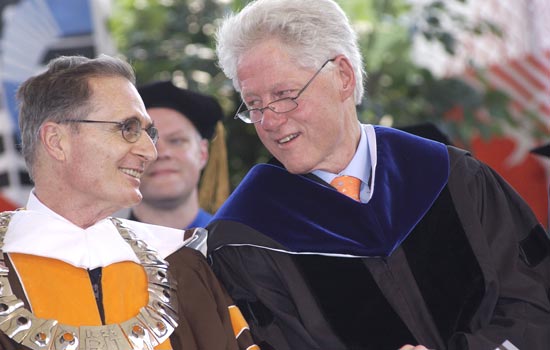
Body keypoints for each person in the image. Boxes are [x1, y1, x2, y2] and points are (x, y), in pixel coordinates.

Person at [206, 0, 550, 349]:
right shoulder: (245, 236)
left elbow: (532, 301)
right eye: (254, 104)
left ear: (343, 76)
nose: (269, 120)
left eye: (284, 95)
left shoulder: (452, 177)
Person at [0, 54, 258, 350]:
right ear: (57, 141)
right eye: (127, 128)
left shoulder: (181, 267)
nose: (151, 152)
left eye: (148, 133)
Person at [129, 80, 228, 229]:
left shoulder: (236, 247)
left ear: (202, 153)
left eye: (176, 141)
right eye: (146, 142)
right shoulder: (98, 248)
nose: (161, 153)